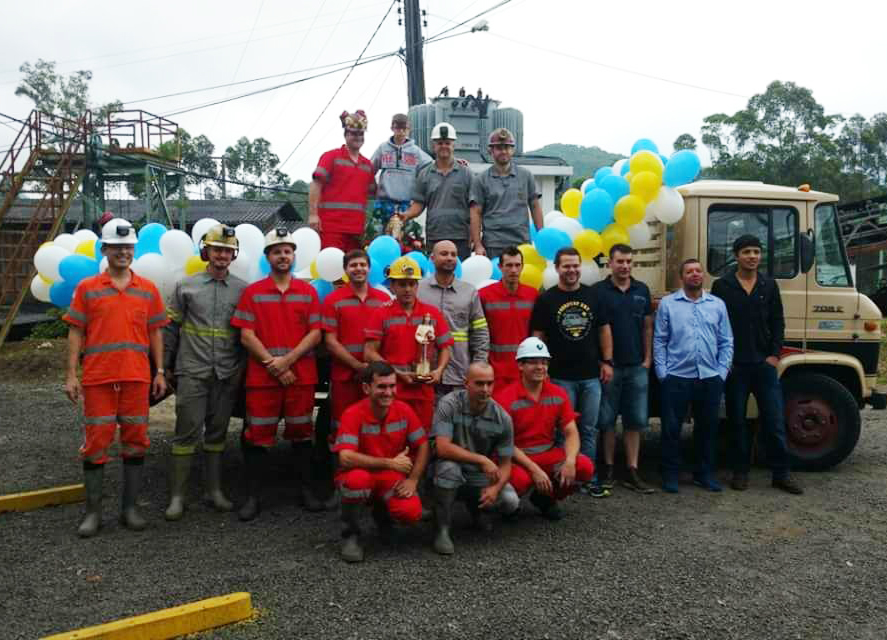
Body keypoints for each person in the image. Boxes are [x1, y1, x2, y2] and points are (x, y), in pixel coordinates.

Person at [63, 222, 168, 537]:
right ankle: (93, 513)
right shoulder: (87, 288)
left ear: (133, 251)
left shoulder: (148, 289)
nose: (123, 252)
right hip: (99, 378)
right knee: (97, 443)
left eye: (128, 248)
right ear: (104, 250)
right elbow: (75, 331)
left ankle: (130, 509)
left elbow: (156, 332)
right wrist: (71, 374)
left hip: (137, 377)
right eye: (116, 247)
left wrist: (159, 371)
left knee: (136, 442)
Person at [231, 228, 322, 521]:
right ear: (267, 256)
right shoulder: (253, 292)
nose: (283, 256)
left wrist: (288, 361)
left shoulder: (308, 292)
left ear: (294, 255)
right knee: (257, 436)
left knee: (301, 435)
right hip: (263, 379)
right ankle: (254, 496)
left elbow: (316, 333)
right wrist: (273, 363)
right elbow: (246, 335)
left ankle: (305, 491)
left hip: (299, 377)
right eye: (277, 251)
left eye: (287, 251)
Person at [163, 224, 248, 521]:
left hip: (226, 373)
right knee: (185, 434)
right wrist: (165, 367)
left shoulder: (242, 290)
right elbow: (171, 330)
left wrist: (241, 371)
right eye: (217, 250)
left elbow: (245, 336)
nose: (222, 255)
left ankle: (214, 492)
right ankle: (177, 497)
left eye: (227, 250)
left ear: (233, 254)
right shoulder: (186, 286)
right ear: (206, 252)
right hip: (193, 371)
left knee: (217, 434)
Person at [711, 235, 803, 495]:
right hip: (735, 366)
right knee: (737, 422)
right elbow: (716, 325)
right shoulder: (723, 286)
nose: (752, 256)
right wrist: (723, 360)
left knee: (774, 420)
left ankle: (781, 474)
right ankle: (740, 472)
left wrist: (774, 355)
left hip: (764, 366)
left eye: (756, 252)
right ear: (737, 256)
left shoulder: (769, 285)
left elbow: (778, 322)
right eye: (747, 252)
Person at [530, 247, 613, 498]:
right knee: (562, 430)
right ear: (556, 269)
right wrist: (539, 367)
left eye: (575, 265)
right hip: (559, 377)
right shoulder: (546, 299)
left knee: (589, 428)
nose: (572, 270)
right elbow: (538, 336)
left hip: (590, 377)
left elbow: (604, 330)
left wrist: (607, 361)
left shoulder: (593, 295)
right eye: (566, 266)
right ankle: (562, 474)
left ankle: (586, 476)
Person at [332, 361, 430, 563]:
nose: (388, 392)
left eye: (392, 386)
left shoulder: (403, 410)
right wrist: (389, 463)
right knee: (357, 483)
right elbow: (346, 457)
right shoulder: (353, 414)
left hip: (388, 475)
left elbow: (423, 445)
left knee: (411, 512)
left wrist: (413, 480)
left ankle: (383, 518)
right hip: (358, 473)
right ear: (367, 388)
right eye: (382, 387)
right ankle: (350, 534)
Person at [654, 258, 734, 493]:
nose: (695, 274)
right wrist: (662, 373)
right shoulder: (668, 304)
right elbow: (659, 340)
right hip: (676, 377)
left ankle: (704, 474)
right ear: (682, 277)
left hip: (710, 377)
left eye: (698, 271)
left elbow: (726, 341)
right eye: (689, 271)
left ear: (703, 275)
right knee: (671, 429)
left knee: (707, 429)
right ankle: (670, 474)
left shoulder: (718, 305)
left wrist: (721, 372)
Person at [494, 337, 594, 520]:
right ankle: (508, 507)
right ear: (520, 366)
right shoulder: (505, 398)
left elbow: (571, 432)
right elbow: (504, 443)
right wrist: (534, 469)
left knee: (584, 467)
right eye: (533, 362)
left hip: (546, 453)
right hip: (516, 458)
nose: (540, 367)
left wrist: (570, 461)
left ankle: (545, 498)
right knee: (519, 481)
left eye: (544, 362)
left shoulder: (558, 393)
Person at [431, 362, 519, 555]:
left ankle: (477, 509)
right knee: (448, 470)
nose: (485, 389)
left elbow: (505, 465)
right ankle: (442, 529)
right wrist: (481, 459)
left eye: (489, 383)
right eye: (479, 383)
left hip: (477, 474)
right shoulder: (449, 404)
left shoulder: (502, 418)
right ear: (466, 383)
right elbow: (442, 448)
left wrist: (495, 489)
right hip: (447, 467)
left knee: (510, 501)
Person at [364, 255, 453, 429]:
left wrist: (439, 371)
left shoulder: (432, 313)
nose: (407, 289)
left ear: (418, 286)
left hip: (423, 391)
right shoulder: (381, 313)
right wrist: (396, 373)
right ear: (392, 286)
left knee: (422, 436)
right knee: (393, 436)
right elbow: (369, 353)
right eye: (402, 284)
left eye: (412, 284)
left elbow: (446, 347)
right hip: (392, 391)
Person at [592, 244, 655, 494]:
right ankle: (608, 469)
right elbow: (596, 330)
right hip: (610, 367)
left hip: (637, 366)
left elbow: (648, 327)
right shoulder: (598, 292)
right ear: (610, 263)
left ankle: (632, 470)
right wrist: (601, 362)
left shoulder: (642, 290)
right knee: (606, 421)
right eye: (620, 261)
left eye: (629, 261)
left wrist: (647, 359)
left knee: (635, 421)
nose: (625, 266)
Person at [321, 249, 390, 437]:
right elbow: (330, 342)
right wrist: (359, 366)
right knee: (342, 424)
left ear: (369, 268)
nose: (358, 269)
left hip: (377, 377)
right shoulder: (333, 300)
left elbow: (389, 340)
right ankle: (342, 464)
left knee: (374, 424)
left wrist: (374, 368)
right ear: (345, 269)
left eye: (362, 265)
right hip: (344, 377)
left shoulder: (384, 300)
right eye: (353, 265)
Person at [417, 240, 489, 401]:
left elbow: (480, 335)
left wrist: (477, 368)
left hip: (459, 375)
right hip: (424, 373)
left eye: (454, 255)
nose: (449, 258)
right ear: (432, 258)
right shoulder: (418, 290)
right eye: (444, 254)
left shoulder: (469, 292)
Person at [469, 127, 544, 260]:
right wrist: (478, 244)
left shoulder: (526, 176)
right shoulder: (481, 179)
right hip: (493, 244)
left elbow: (535, 206)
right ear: (491, 150)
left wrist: (542, 236)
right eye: (499, 148)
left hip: (521, 242)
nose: (503, 151)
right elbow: (476, 212)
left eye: (507, 147)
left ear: (513, 150)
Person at [402, 122, 474, 259]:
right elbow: (419, 204)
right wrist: (405, 216)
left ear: (454, 145)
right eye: (440, 143)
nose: (444, 146)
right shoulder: (424, 174)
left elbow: (474, 208)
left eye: (447, 143)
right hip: (435, 236)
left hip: (461, 237)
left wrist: (474, 236)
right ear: (433, 146)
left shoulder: (466, 173)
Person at [308, 110, 377, 251]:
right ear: (345, 135)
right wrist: (313, 215)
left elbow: (373, 192)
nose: (357, 137)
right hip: (331, 228)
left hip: (357, 230)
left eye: (361, 134)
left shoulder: (367, 165)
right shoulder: (331, 157)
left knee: (352, 269)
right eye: (353, 133)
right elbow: (316, 185)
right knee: (332, 268)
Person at [479, 246, 537, 388]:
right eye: (509, 265)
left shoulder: (533, 295)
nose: (513, 270)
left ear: (522, 267)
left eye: (517, 265)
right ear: (500, 267)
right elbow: (478, 334)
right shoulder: (484, 295)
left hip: (525, 371)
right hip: (496, 372)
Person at [370, 113, 432, 243]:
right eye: (398, 128)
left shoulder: (415, 152)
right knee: (376, 238)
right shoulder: (383, 148)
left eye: (404, 129)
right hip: (383, 203)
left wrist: (455, 160)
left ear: (409, 129)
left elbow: (432, 165)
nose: (401, 132)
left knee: (404, 241)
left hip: (405, 206)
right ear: (392, 128)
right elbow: (369, 169)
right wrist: (372, 188)